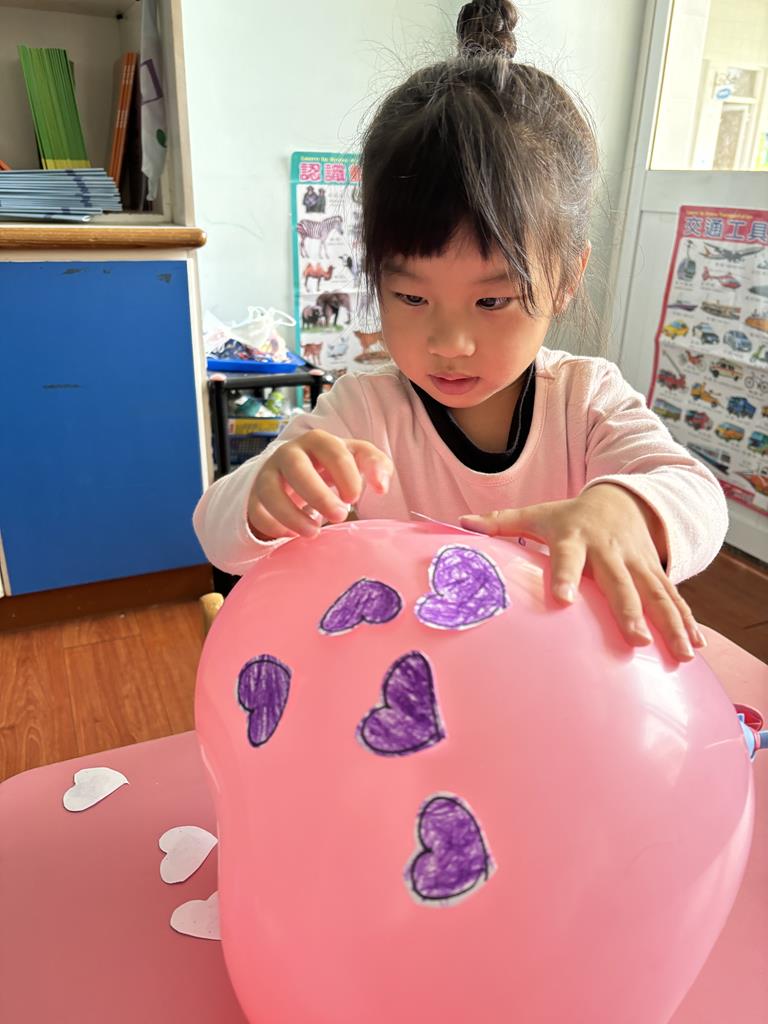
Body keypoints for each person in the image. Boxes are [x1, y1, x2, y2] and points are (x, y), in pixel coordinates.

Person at [194, 0, 727, 662]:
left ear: (567, 278)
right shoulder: (365, 411)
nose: (449, 343)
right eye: (411, 296)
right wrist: (266, 494)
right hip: (407, 680)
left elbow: (697, 497)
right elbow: (215, 530)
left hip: (551, 677)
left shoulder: (586, 402)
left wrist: (627, 508)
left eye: (493, 300)